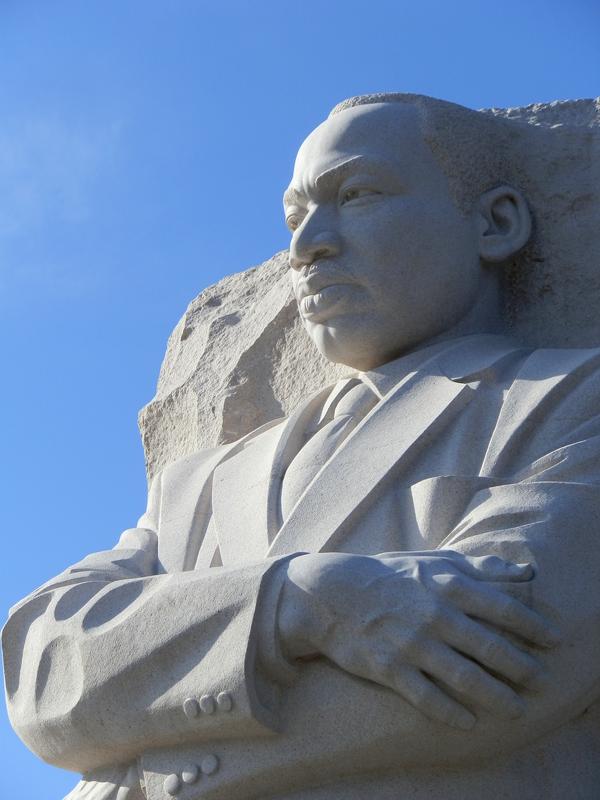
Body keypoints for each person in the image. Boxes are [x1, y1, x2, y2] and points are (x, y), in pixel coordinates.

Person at [4, 94, 600, 800]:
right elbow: (43, 669)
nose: (305, 245)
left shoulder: (568, 399)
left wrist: (150, 771)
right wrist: (295, 599)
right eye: (295, 216)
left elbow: (507, 662)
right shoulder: (196, 486)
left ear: (495, 223)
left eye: (355, 194)